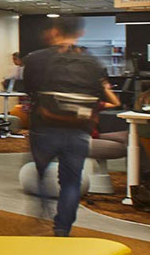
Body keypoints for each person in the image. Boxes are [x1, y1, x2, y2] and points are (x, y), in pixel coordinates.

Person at [21, 16, 120, 236]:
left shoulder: (35, 59)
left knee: (38, 171)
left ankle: (42, 213)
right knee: (71, 182)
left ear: (55, 31)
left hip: (44, 127)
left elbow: (30, 91)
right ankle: (62, 228)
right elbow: (99, 94)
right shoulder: (93, 62)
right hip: (79, 130)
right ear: (81, 33)